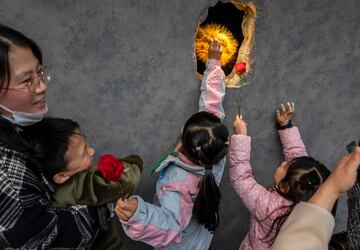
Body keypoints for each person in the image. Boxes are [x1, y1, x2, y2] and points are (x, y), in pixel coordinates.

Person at [114, 40, 228, 249]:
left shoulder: (179, 183)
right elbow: (212, 110)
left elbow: (170, 225)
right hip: (199, 237)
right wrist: (214, 64)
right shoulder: (215, 149)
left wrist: (138, 214)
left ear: (184, 143)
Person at [0, 24, 105, 248]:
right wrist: (101, 209)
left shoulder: (17, 131)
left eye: (39, 71)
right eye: (27, 80)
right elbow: (51, 238)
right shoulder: (6, 177)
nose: (41, 87)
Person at [22, 117, 144, 249]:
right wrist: (134, 161)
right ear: (62, 176)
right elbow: (127, 181)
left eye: (86, 144)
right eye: (84, 154)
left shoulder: (39, 181)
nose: (92, 151)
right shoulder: (79, 186)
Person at [229, 103, 331, 249]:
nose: (284, 163)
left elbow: (240, 178)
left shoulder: (268, 206)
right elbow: (298, 157)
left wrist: (240, 137)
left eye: (284, 167)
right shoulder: (309, 202)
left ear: (284, 185)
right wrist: (285, 125)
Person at [272, 148, 360, 250]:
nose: (284, 164)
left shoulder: (267, 204)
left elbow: (294, 245)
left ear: (285, 187)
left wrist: (332, 188)